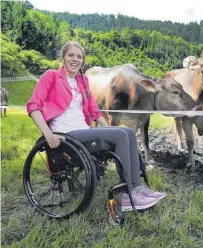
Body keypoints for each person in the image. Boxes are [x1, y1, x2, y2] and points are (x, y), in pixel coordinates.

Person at [26, 41, 166, 212]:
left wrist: (108, 128)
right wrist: (48, 134)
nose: (75, 59)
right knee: (121, 135)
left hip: (83, 131)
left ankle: (136, 188)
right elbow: (33, 107)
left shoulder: (83, 81)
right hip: (65, 134)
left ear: (83, 61)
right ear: (63, 57)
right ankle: (126, 194)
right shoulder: (51, 76)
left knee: (127, 132)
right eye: (71, 55)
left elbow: (94, 109)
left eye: (79, 56)